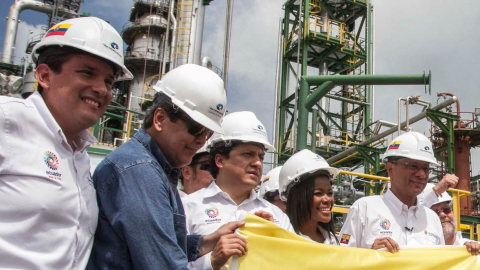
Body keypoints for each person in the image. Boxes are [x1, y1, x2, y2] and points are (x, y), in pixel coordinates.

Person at [0, 17, 132, 269]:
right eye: (87, 73)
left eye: (108, 81)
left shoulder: (79, 155)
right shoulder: (8, 119)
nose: (101, 89)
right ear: (45, 75)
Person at [88, 64, 241, 269]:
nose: (202, 140)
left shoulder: (157, 169)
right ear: (160, 118)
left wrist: (208, 241)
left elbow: (162, 245)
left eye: (208, 132)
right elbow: (162, 262)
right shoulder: (138, 171)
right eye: (196, 128)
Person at [182, 111, 294, 270]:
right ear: (220, 160)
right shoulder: (187, 208)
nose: (257, 163)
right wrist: (211, 262)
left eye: (261, 157)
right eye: (248, 154)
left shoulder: (276, 217)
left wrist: (272, 240)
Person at [339, 131, 445, 253]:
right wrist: (370, 253)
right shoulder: (364, 209)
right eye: (413, 166)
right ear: (390, 169)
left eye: (426, 168)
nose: (421, 174)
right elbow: (342, 258)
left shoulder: (432, 219)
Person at [278, 149, 340, 244]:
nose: (327, 199)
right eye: (318, 193)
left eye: (330, 193)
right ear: (297, 197)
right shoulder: (283, 239)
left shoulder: (332, 239)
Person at [425, 186, 480, 255]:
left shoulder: (473, 249)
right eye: (434, 213)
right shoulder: (422, 252)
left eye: (446, 210)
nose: (443, 215)